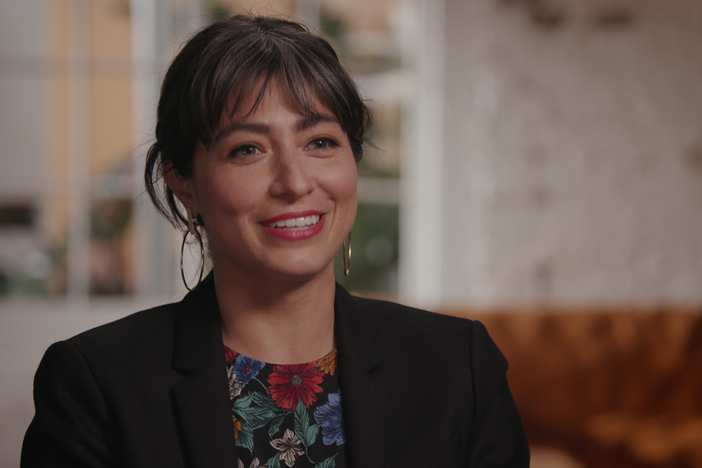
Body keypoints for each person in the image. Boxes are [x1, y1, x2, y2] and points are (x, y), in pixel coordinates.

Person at [21, 15, 529, 468]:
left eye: (321, 142)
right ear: (183, 180)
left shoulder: (459, 366)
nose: (294, 181)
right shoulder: (95, 385)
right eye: (247, 149)